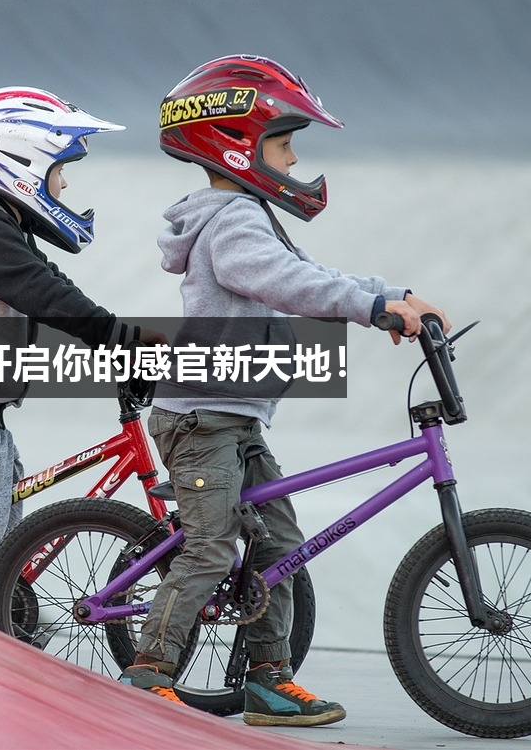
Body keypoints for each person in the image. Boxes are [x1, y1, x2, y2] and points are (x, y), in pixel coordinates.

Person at [117, 55, 449, 727]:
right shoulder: (232, 221)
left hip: (232, 418)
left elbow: (311, 270)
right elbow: (288, 283)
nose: (294, 158)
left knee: (280, 547)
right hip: (201, 419)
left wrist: (391, 293)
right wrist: (372, 310)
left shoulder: (247, 215)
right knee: (212, 546)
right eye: (284, 143)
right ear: (237, 145)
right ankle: (147, 672)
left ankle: (267, 679)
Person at [0, 87, 167, 605]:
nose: (64, 184)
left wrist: (120, 338)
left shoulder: (2, 225)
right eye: (59, 170)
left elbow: (54, 281)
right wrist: (118, 337)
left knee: (3, 525)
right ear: (21, 165)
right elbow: (46, 296)